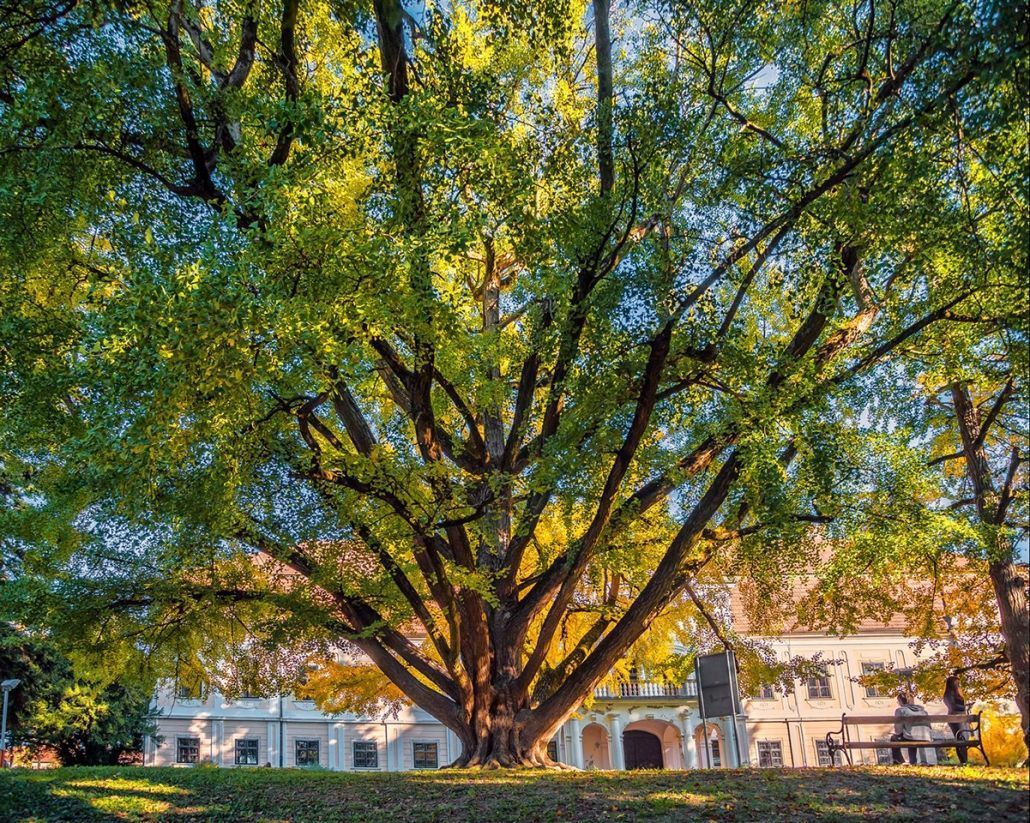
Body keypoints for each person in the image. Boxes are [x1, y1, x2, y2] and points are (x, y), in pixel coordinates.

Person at [891, 691, 937, 765]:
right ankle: (913, 761)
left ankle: (898, 761)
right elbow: (929, 726)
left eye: (898, 701)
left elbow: (898, 730)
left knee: (894, 738)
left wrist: (898, 733)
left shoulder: (900, 710)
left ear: (900, 701)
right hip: (926, 737)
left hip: (911, 737)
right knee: (911, 735)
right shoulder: (923, 710)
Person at [943, 676, 970, 764]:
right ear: (952, 683)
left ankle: (965, 760)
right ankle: (963, 760)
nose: (958, 684)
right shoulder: (948, 694)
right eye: (956, 682)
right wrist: (964, 707)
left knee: (964, 738)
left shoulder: (958, 694)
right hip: (955, 718)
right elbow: (953, 706)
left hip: (962, 717)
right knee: (960, 738)